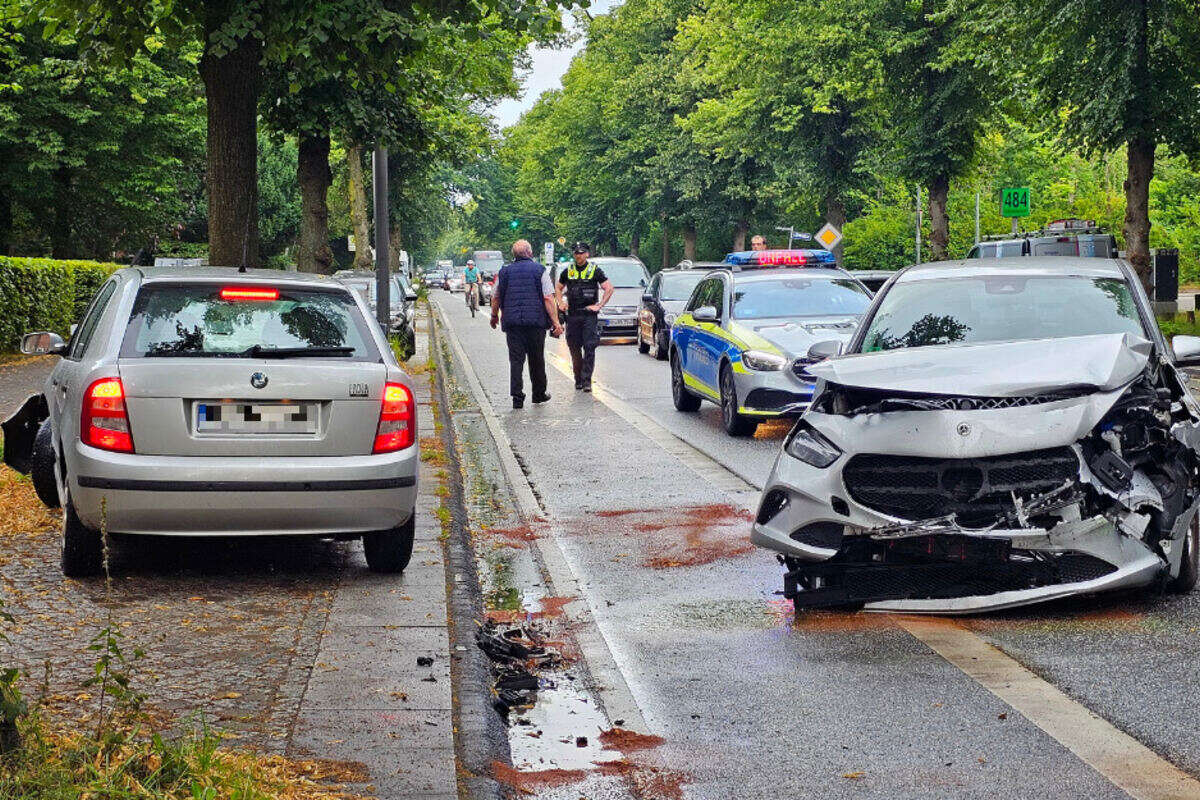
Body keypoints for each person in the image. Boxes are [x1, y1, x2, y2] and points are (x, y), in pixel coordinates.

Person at [491, 240, 562, 409]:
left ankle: (517, 398)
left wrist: (494, 315)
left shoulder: (504, 272)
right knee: (537, 359)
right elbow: (548, 298)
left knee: (516, 361)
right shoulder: (539, 270)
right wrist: (556, 322)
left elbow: (496, 296)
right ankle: (538, 394)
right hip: (535, 323)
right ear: (530, 253)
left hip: (513, 323)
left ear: (513, 255)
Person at [555, 242, 614, 392]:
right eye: (576, 253)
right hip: (573, 314)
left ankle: (587, 380)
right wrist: (560, 302)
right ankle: (578, 378)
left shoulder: (594, 270)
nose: (578, 255)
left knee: (589, 347)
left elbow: (609, 288)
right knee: (574, 348)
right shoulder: (568, 271)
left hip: (589, 315)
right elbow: (558, 287)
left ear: (587, 254)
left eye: (581, 253)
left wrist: (599, 305)